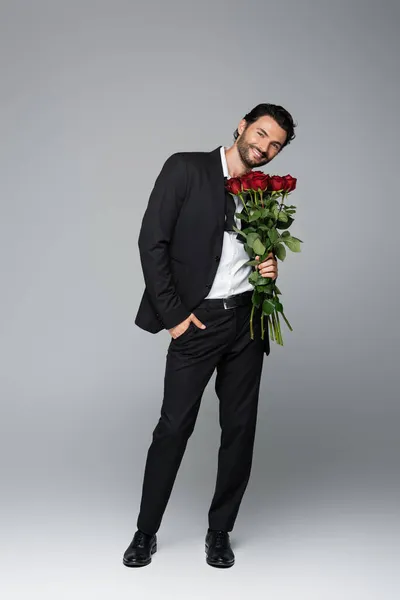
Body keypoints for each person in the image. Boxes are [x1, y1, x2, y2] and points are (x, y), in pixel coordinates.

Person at [123, 103, 297, 568]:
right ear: (242, 126)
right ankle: (146, 532)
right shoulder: (185, 168)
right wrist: (176, 317)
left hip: (248, 320)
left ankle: (219, 532)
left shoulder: (262, 193)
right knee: (174, 427)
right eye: (259, 134)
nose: (263, 147)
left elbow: (248, 253)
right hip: (196, 323)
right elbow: (151, 242)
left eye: (274, 144)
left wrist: (269, 269)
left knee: (239, 430)